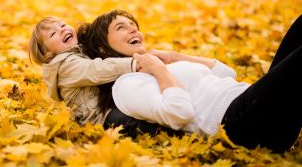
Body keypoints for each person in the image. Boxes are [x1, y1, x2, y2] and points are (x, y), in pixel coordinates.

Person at [77, 9, 301, 153]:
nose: (133, 29)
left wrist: (176, 57)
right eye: (120, 27)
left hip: (251, 101)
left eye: (133, 25)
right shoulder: (125, 85)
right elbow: (178, 113)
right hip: (243, 124)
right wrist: (159, 70)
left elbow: (228, 75)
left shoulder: (162, 63)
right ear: (102, 48)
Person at [29, 16, 178, 138]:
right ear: (48, 54)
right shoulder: (65, 66)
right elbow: (98, 69)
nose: (62, 30)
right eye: (53, 34)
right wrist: (134, 64)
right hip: (99, 118)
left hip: (108, 103)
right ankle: (163, 133)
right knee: (126, 122)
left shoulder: (76, 51)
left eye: (62, 25)